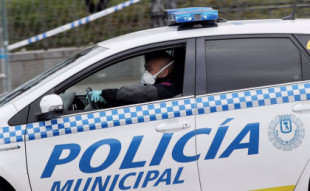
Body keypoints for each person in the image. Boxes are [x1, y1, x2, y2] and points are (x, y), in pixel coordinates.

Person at [86, 51, 181, 108]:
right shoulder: (159, 84)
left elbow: (141, 92)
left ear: (164, 72)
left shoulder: (169, 87)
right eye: (145, 68)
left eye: (149, 69)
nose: (146, 72)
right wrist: (107, 102)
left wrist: (105, 93)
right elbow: (134, 100)